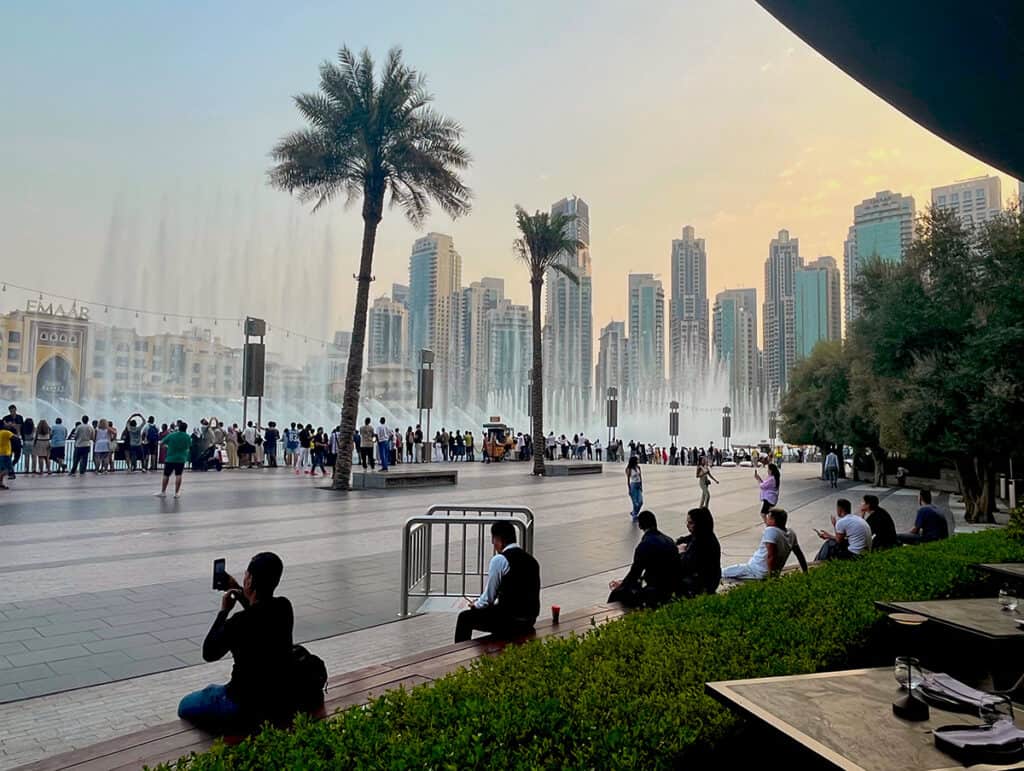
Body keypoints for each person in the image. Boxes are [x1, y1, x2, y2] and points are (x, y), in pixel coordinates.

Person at [178, 552, 295, 732]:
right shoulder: (284, 607)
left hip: (241, 704)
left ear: (250, 581)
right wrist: (239, 591)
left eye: (246, 575)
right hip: (277, 697)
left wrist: (224, 612)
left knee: (185, 705)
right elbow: (260, 614)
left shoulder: (239, 622)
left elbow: (209, 652)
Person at [454, 521, 540, 643]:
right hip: (529, 619)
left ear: (498, 539)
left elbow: (489, 598)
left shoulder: (500, 560)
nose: (493, 544)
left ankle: (458, 655)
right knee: (495, 610)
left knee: (464, 618)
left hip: (510, 620)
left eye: (493, 540)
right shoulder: (531, 560)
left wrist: (475, 605)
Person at [608, 510, 683, 608]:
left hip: (656, 591)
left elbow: (635, 573)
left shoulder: (645, 545)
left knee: (616, 594)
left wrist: (621, 586)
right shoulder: (669, 540)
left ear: (640, 526)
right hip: (673, 587)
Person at [723, 508, 807, 580]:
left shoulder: (771, 531)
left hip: (756, 570)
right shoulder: (791, 533)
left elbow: (771, 555)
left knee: (722, 572)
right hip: (766, 570)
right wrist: (805, 572)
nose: (766, 520)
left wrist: (771, 578)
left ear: (773, 520)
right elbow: (799, 554)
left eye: (768, 518)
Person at [676, 507, 722, 597]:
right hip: (710, 580)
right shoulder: (705, 535)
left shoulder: (701, 542)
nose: (687, 525)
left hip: (701, 583)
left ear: (699, 524)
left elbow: (686, 564)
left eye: (690, 523)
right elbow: (687, 538)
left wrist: (681, 552)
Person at [157, 421, 192, 498]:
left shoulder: (172, 435)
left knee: (166, 475)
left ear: (179, 428)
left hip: (170, 458)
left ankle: (163, 492)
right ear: (186, 428)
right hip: (181, 459)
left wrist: (167, 446)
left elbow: (161, 443)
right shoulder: (187, 437)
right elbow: (189, 446)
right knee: (178, 475)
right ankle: (176, 493)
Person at [625, 456, 644, 522]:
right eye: (637, 460)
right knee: (635, 503)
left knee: (641, 502)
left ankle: (634, 513)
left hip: (638, 485)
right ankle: (635, 516)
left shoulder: (638, 467)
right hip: (633, 485)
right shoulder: (629, 469)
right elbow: (628, 480)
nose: (638, 461)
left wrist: (641, 486)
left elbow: (640, 477)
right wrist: (629, 489)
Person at [0, 421, 14, 489]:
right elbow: (15, 438)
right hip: (5, 453)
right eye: (5, 423)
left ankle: (1, 483)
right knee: (8, 469)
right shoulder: (6, 432)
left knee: (1, 469)